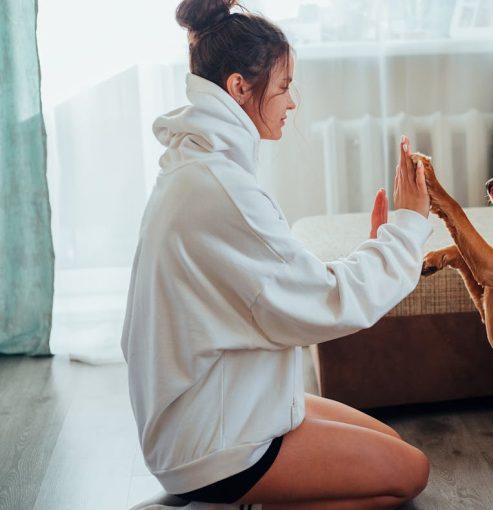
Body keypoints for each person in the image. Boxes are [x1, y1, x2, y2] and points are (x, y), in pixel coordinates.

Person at [121, 1, 433, 508]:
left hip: (218, 405)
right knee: (409, 472)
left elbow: (286, 286)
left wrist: (382, 245)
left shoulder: (200, 166)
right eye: (285, 86)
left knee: (392, 449)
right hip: (212, 441)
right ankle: (235, 500)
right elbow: (325, 302)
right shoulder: (219, 188)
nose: (292, 103)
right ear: (240, 87)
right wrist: (409, 226)